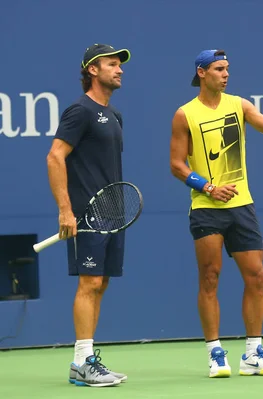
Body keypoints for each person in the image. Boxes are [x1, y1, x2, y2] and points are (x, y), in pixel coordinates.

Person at [169, 49, 263, 378]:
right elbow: (177, 165)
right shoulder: (184, 115)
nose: (226, 74)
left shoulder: (239, 105)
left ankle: (253, 354)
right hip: (207, 207)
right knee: (210, 278)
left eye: (228, 69)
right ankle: (215, 353)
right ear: (202, 73)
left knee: (257, 277)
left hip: (241, 205)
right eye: (219, 69)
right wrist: (208, 188)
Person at [46, 44, 131, 387]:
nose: (120, 69)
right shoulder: (79, 111)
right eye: (112, 64)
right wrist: (65, 209)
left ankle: (88, 359)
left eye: (119, 65)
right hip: (87, 213)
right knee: (89, 282)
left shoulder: (115, 115)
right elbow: (55, 157)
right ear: (93, 70)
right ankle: (81, 361)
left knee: (102, 283)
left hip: (113, 212)